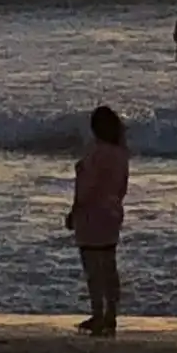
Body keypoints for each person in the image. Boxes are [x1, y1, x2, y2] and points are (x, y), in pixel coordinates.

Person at [66, 105, 129, 336]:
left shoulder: (95, 153)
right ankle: (111, 314)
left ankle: (98, 313)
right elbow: (122, 186)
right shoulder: (121, 153)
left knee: (93, 268)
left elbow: (86, 187)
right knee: (109, 266)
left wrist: (74, 211)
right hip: (112, 214)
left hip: (91, 215)